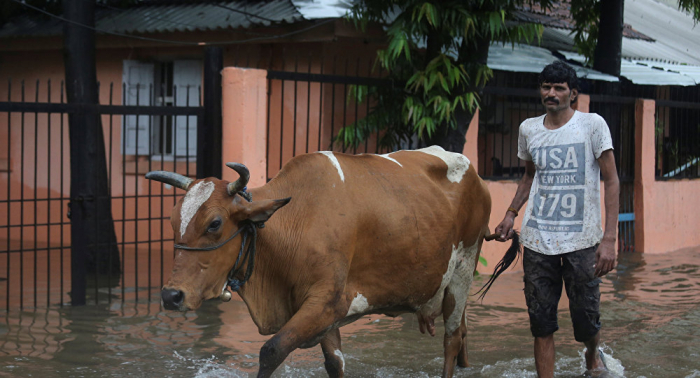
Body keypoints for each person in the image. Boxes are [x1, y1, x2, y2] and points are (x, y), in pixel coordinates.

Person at [494, 61, 620, 377]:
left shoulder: (592, 125)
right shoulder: (528, 129)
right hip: (537, 241)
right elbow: (528, 177)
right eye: (546, 87)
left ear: (572, 93)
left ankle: (593, 358)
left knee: (586, 318)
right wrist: (510, 215)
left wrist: (609, 240)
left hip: (582, 242)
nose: (551, 93)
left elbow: (613, 180)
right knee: (541, 322)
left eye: (558, 88)